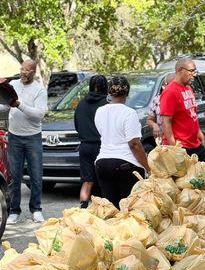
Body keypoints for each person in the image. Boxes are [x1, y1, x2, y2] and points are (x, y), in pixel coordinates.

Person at [0, 59, 47, 224]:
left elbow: (39, 114)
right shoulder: (13, 85)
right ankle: (14, 211)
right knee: (14, 176)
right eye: (22, 69)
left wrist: (19, 104)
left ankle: (36, 209)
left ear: (34, 71)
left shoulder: (39, 90)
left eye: (28, 70)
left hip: (33, 137)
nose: (24, 73)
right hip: (14, 137)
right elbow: (6, 105)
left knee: (36, 176)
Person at [94, 76, 150, 208]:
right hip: (125, 165)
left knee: (112, 210)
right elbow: (134, 144)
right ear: (127, 93)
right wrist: (147, 167)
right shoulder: (129, 113)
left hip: (102, 163)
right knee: (128, 210)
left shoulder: (99, 111)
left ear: (109, 92)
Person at [160, 58, 205, 161]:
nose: (194, 74)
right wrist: (175, 149)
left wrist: (202, 138)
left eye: (195, 71)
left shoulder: (188, 88)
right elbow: (166, 122)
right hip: (181, 147)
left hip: (195, 144)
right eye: (191, 71)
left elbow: (193, 117)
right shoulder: (170, 91)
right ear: (179, 70)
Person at [74, 75, 108, 209]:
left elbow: (77, 125)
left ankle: (82, 209)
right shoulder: (106, 105)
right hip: (101, 147)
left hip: (85, 146)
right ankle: (104, 209)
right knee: (103, 181)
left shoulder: (81, 104)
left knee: (87, 181)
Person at [147, 73, 175, 138]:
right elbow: (149, 120)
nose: (174, 88)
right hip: (163, 141)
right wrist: (155, 125)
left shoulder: (183, 98)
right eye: (171, 85)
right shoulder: (157, 100)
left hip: (181, 140)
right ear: (164, 86)